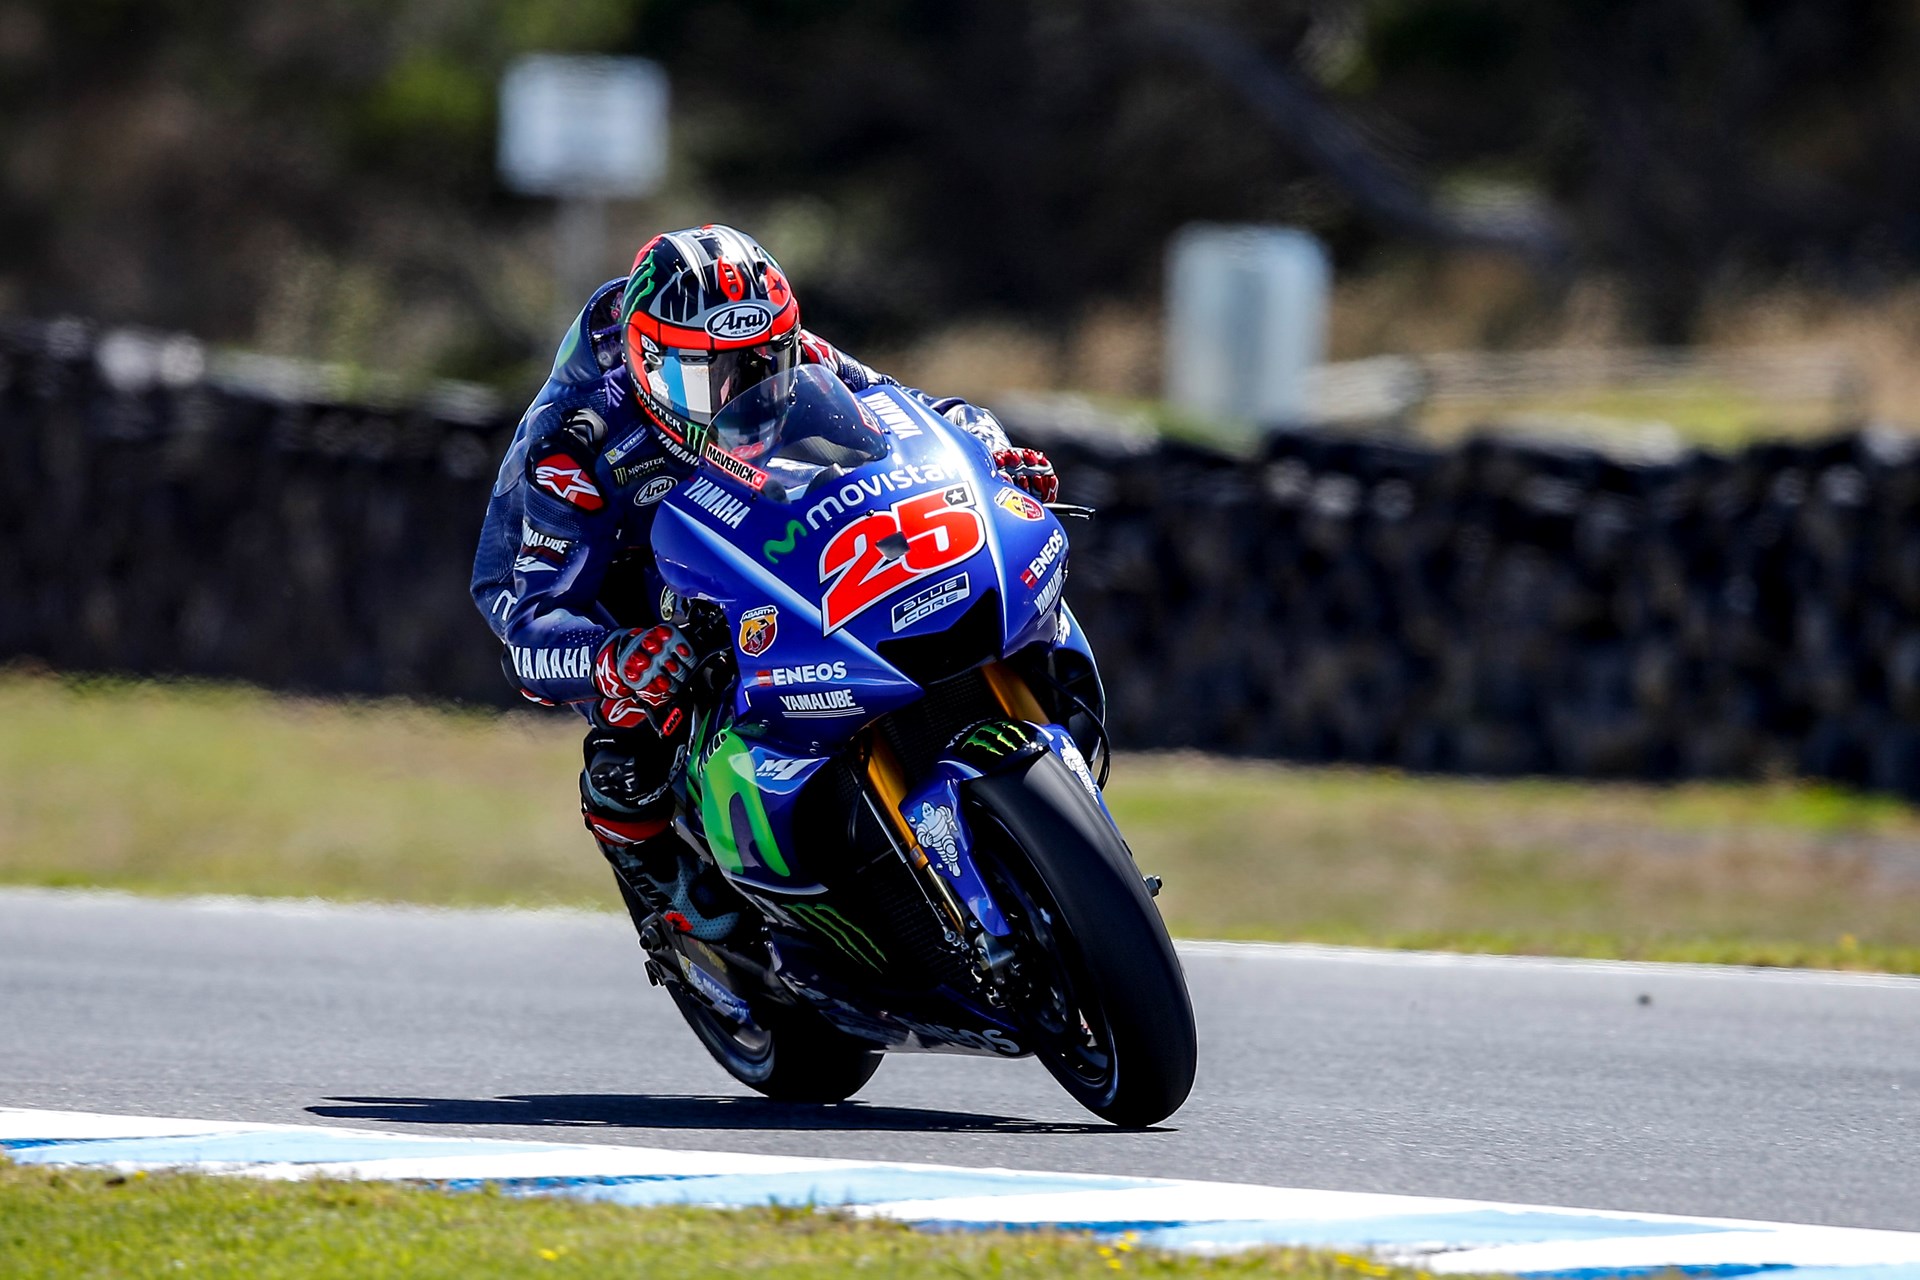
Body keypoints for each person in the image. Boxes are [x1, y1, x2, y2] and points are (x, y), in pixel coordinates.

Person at [469, 224, 1058, 940]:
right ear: (647, 363)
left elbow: (910, 415)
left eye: (761, 365)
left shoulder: (797, 354)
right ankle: (667, 894)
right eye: (707, 377)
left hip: (732, 515)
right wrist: (612, 658)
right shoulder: (577, 443)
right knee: (644, 715)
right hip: (586, 562)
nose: (738, 396)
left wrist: (987, 454)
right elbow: (530, 627)